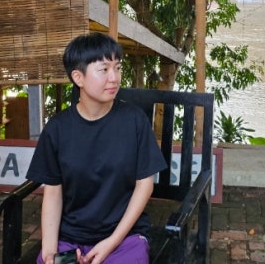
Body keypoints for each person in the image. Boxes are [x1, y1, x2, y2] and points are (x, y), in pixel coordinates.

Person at [27, 32, 167, 264]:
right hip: (70, 239)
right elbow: (53, 193)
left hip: (124, 238)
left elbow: (145, 185)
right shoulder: (57, 129)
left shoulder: (134, 121)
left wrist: (111, 242)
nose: (114, 78)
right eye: (104, 69)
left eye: (118, 68)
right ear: (78, 77)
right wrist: (50, 251)